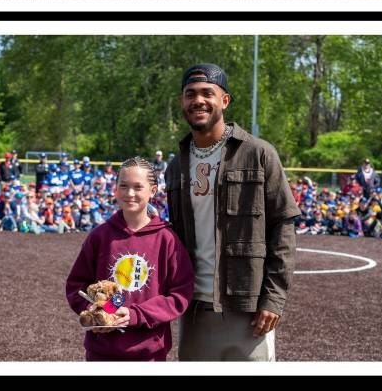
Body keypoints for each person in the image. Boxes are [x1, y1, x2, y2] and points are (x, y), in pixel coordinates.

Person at [165, 63, 300, 361]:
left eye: (207, 93)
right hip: (194, 308)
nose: (198, 100)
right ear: (182, 102)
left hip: (247, 308)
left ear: (224, 101)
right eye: (190, 94)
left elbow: (283, 226)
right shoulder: (176, 166)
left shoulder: (259, 153)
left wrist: (274, 298)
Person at [65, 156, 194, 360]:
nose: (130, 193)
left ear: (153, 190)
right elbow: (76, 285)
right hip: (102, 353)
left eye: (137, 187)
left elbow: (180, 294)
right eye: (123, 186)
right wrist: (96, 312)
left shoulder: (167, 239)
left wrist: (135, 315)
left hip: (149, 353)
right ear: (115, 188)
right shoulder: (100, 236)